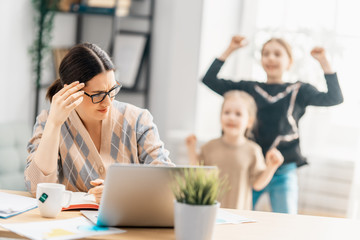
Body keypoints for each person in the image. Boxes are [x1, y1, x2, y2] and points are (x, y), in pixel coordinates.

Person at [201, 35, 344, 213]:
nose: (270, 58)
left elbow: (334, 98)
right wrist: (230, 48)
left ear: (289, 62)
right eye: (266, 53)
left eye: (277, 54)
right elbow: (209, 80)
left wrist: (324, 61)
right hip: (251, 168)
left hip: (284, 170)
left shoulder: (299, 90)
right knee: (237, 216)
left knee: (286, 222)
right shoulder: (249, 88)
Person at [25, 43, 173, 203]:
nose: (108, 103)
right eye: (98, 95)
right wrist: (54, 124)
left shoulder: (138, 120)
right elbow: (37, 188)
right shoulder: (48, 121)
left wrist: (121, 192)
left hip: (126, 224)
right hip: (69, 224)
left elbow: (168, 182)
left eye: (112, 91)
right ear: (71, 92)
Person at [186, 90, 284, 210]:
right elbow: (197, 172)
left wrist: (272, 167)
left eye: (238, 114)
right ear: (220, 117)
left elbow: (257, 184)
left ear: (249, 121)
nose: (231, 117)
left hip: (239, 215)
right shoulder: (209, 147)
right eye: (226, 112)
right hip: (209, 212)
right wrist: (191, 148)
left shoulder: (253, 150)